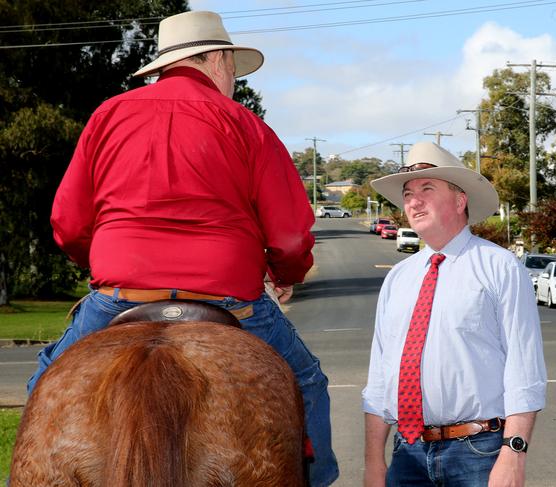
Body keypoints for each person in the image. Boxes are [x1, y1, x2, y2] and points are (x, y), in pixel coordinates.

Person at [27, 10, 338, 486]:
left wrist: (108, 264)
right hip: (229, 296)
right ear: (213, 59)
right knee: (308, 382)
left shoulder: (108, 116)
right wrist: (286, 272)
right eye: (233, 66)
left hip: (122, 295)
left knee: (46, 382)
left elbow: (68, 224)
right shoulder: (245, 124)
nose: (233, 77)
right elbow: (291, 235)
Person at [362, 141, 547, 486]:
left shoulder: (500, 268)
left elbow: (524, 370)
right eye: (407, 193)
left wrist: (513, 454)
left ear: (460, 200)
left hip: (479, 454)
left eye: (427, 188)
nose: (413, 201)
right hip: (408, 455)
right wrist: (374, 464)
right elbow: (378, 381)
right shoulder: (397, 279)